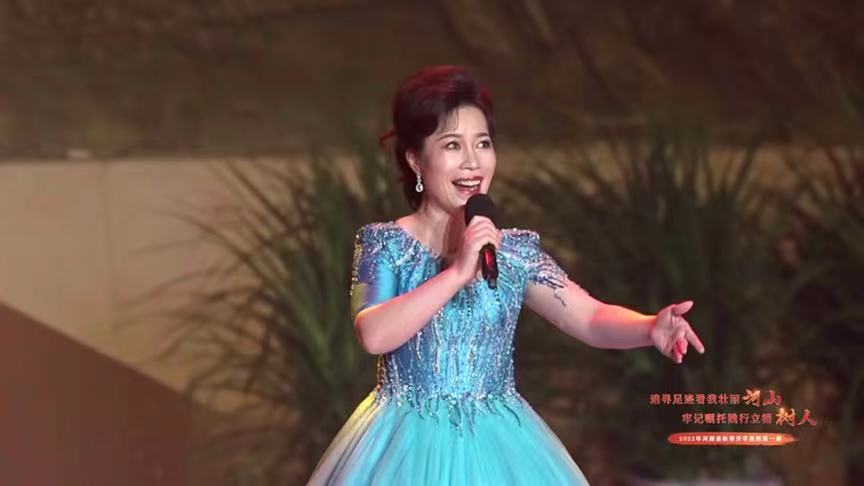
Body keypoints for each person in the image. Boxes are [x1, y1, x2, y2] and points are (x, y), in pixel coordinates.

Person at [306, 65, 706, 485]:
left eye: (482, 143)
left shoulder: (511, 252)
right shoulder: (385, 244)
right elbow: (373, 334)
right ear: (415, 159)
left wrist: (649, 327)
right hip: (403, 446)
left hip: (499, 443)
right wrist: (457, 273)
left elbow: (589, 316)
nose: (472, 162)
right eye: (452, 145)